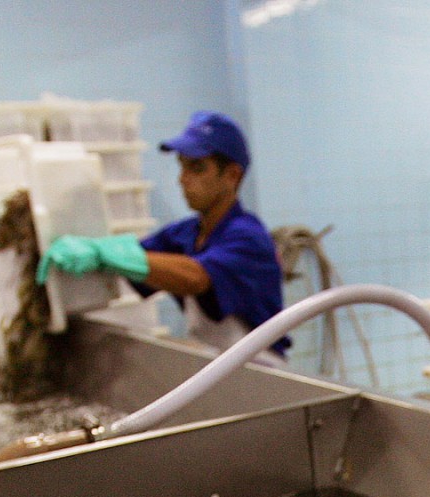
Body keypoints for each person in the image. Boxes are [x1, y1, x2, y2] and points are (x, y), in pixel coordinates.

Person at [36, 111, 288, 364]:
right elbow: (137, 256)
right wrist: (95, 250)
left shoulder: (248, 237)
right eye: (182, 165)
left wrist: (109, 254)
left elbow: (196, 277)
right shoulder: (186, 234)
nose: (183, 178)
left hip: (264, 367)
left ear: (232, 175)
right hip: (221, 365)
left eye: (196, 168)